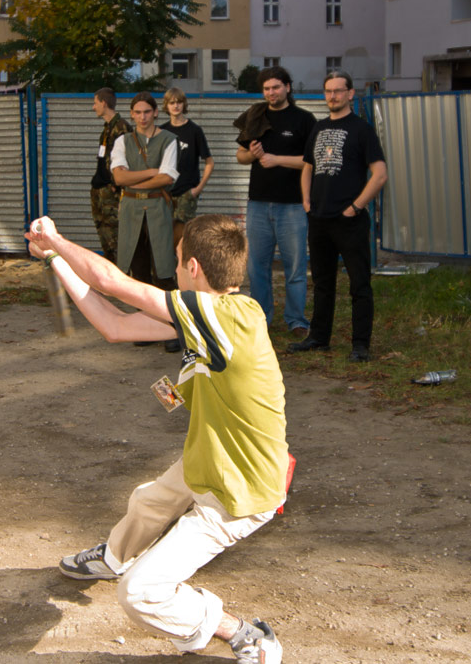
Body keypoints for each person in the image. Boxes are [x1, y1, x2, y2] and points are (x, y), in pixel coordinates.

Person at [25, 213, 288, 664]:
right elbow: (116, 326)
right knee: (148, 501)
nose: (173, 263)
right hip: (212, 457)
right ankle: (113, 556)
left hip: (239, 490)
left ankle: (243, 633)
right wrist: (55, 259)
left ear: (194, 269)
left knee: (141, 593)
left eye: (177, 256)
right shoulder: (206, 320)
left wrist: (57, 239)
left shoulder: (230, 316)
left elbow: (111, 281)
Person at [291, 70, 387, 363]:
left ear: (350, 93)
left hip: (349, 221)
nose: (332, 96)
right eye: (328, 91)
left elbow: (380, 174)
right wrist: (306, 201)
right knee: (322, 283)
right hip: (318, 218)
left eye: (338, 91)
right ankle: (319, 337)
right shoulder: (318, 128)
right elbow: (308, 166)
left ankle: (360, 344)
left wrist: (356, 206)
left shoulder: (362, 129)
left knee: (359, 284)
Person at [235, 67, 317, 339]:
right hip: (258, 203)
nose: (271, 93)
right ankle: (261, 318)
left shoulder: (304, 120)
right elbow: (240, 156)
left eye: (276, 87)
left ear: (288, 88)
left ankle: (296, 320)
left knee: (294, 266)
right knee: (257, 266)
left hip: (292, 205)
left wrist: (276, 159)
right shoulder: (256, 116)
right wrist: (253, 154)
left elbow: (312, 161)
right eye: (267, 88)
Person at [112, 91, 179, 352]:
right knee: (138, 271)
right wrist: (152, 171)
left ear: (155, 113)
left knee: (164, 270)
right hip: (130, 209)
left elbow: (168, 177)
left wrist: (137, 178)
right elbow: (118, 178)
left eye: (147, 112)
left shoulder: (169, 140)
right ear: (131, 114)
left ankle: (173, 328)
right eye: (137, 112)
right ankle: (148, 328)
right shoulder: (122, 141)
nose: (142, 117)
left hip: (157, 208)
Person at [159, 87, 213, 251]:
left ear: (184, 104)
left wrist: (197, 189)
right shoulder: (161, 131)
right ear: (166, 106)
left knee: (181, 240)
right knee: (163, 238)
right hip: (164, 193)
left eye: (179, 102)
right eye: (172, 102)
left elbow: (209, 162)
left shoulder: (194, 130)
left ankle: (181, 274)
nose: (176, 106)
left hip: (186, 193)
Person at [88, 87, 131, 261]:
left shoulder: (121, 128)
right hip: (100, 189)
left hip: (111, 191)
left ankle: (122, 278)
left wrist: (116, 185)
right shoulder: (107, 129)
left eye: (95, 103)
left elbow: (127, 159)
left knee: (115, 237)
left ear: (104, 103)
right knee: (104, 235)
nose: (93, 107)